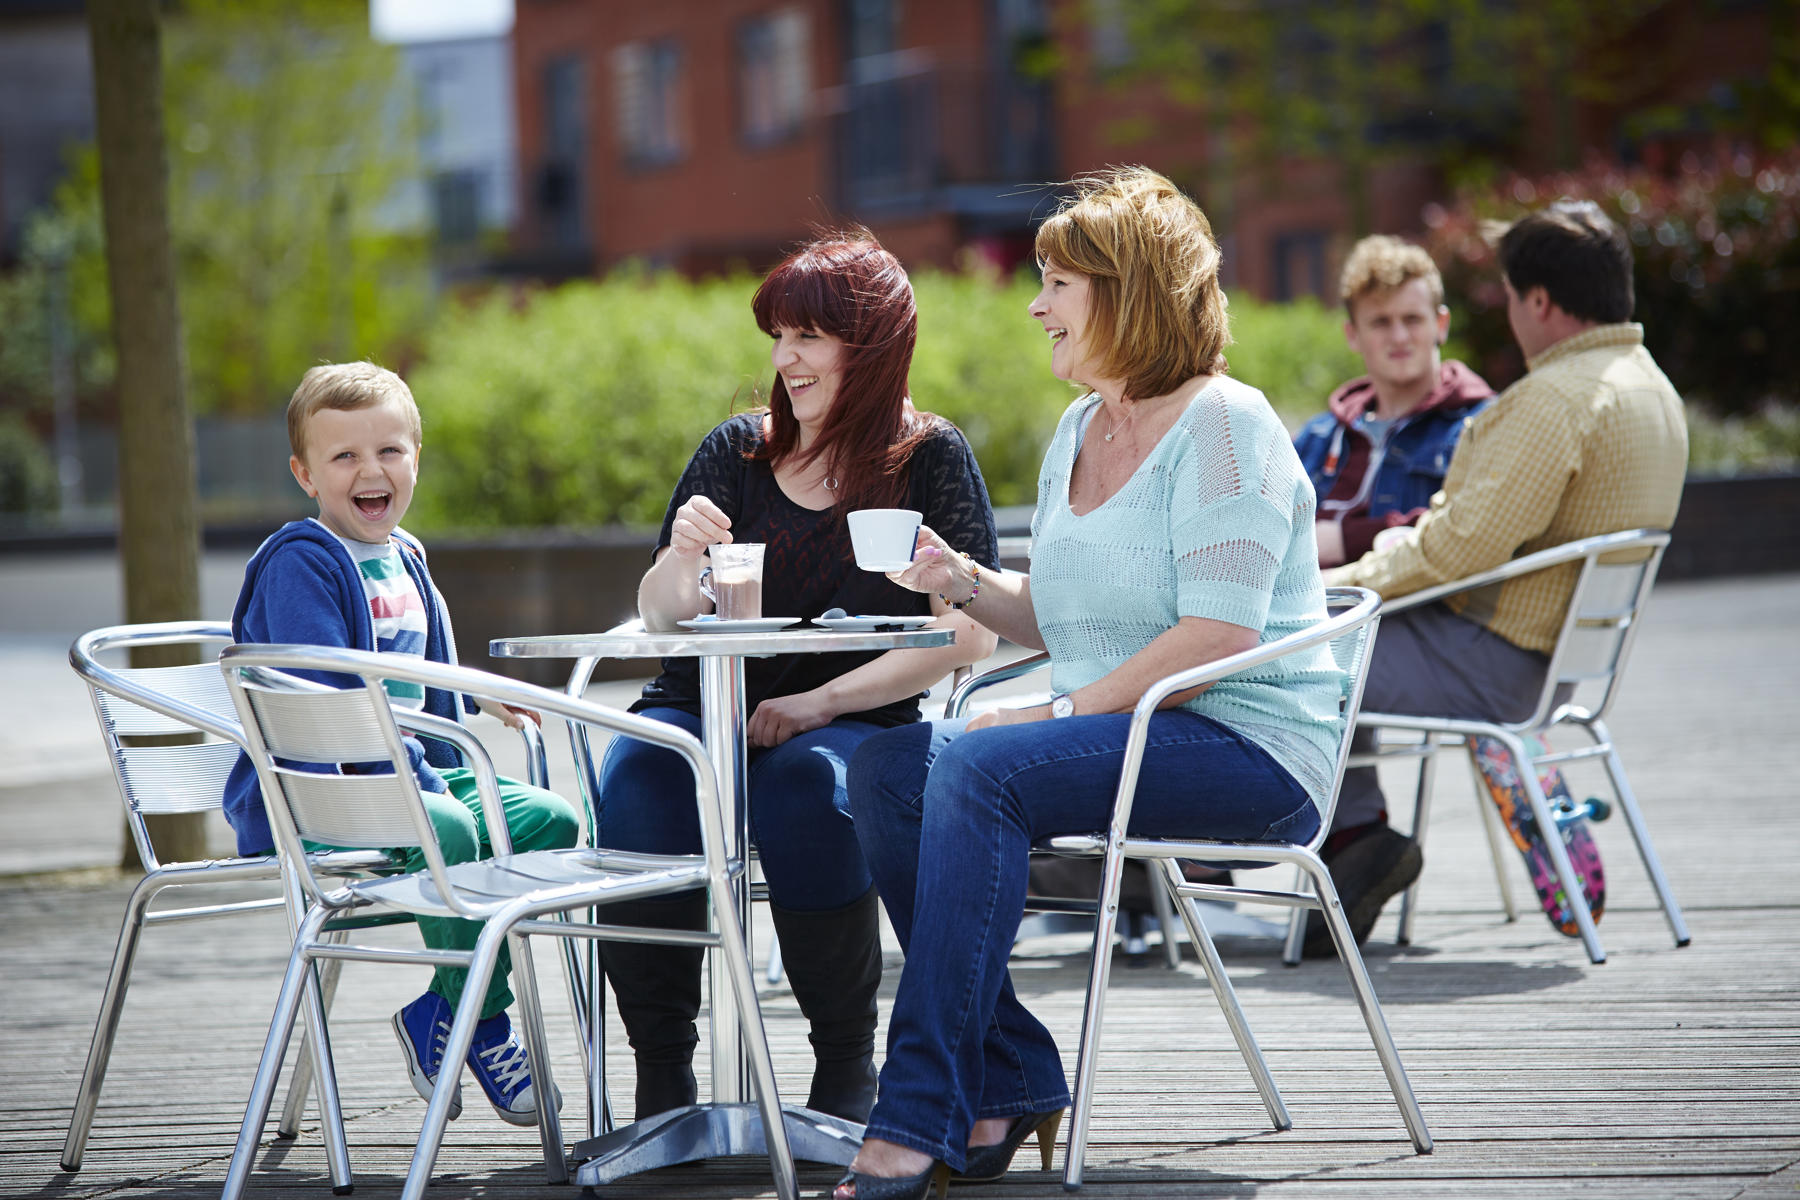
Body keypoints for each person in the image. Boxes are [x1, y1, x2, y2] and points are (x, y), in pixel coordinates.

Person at [835, 167, 1346, 1199]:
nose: (1034, 305)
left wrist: (1057, 710)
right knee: (890, 766)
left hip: (1250, 746)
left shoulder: (1225, 427)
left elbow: (1216, 632)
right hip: (1130, 732)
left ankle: (915, 1116)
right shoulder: (1078, 431)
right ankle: (1013, 1075)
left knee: (981, 767)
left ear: (1129, 292)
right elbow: (1068, 617)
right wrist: (961, 582)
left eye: (1056, 283)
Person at [594, 233, 1000, 1125]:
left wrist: (818, 703)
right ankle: (662, 1075)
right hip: (703, 704)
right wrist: (681, 559)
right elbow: (661, 615)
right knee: (639, 781)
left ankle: (843, 1064)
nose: (785, 360)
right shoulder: (736, 452)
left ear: (874, 344)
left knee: (809, 788)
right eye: (779, 336)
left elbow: (964, 636)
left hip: (860, 716)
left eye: (809, 337)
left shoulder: (930, 458)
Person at [1308, 200, 1688, 955]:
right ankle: (1352, 841)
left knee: (1290, 653)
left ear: (1540, 301)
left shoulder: (1554, 400)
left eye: (1512, 297)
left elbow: (1454, 551)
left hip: (1495, 663)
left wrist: (1332, 589)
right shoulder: (1654, 392)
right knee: (1322, 638)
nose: (1512, 312)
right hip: (1559, 665)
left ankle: (1341, 843)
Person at [221, 362, 581, 1124]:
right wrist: (423, 777)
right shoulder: (302, 564)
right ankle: (482, 1021)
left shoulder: (405, 556)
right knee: (447, 826)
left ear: (416, 456)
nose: (370, 470)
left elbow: (417, 671)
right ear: (305, 474)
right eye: (344, 457)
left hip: (415, 779)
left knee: (552, 821)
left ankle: (441, 1011)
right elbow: (328, 697)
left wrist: (472, 689)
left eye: (389, 450)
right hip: (332, 792)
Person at [1293, 235, 1493, 568]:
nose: (1399, 336)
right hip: (1308, 612)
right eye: (1381, 322)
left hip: (1414, 612)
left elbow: (1473, 527)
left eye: (1412, 319)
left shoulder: (1481, 424)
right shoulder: (1318, 436)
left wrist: (1345, 541)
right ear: (1353, 335)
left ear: (1441, 325)